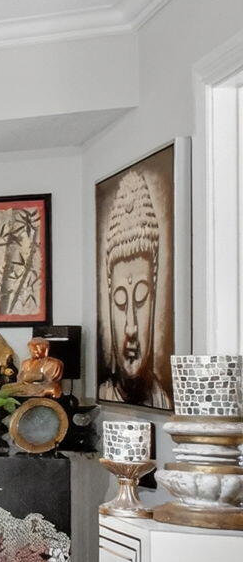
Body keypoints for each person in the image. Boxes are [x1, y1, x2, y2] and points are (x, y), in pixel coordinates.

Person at [97, 168, 170, 409]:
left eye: (140, 298)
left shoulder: (165, 400)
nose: (131, 326)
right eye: (119, 301)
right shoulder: (103, 393)